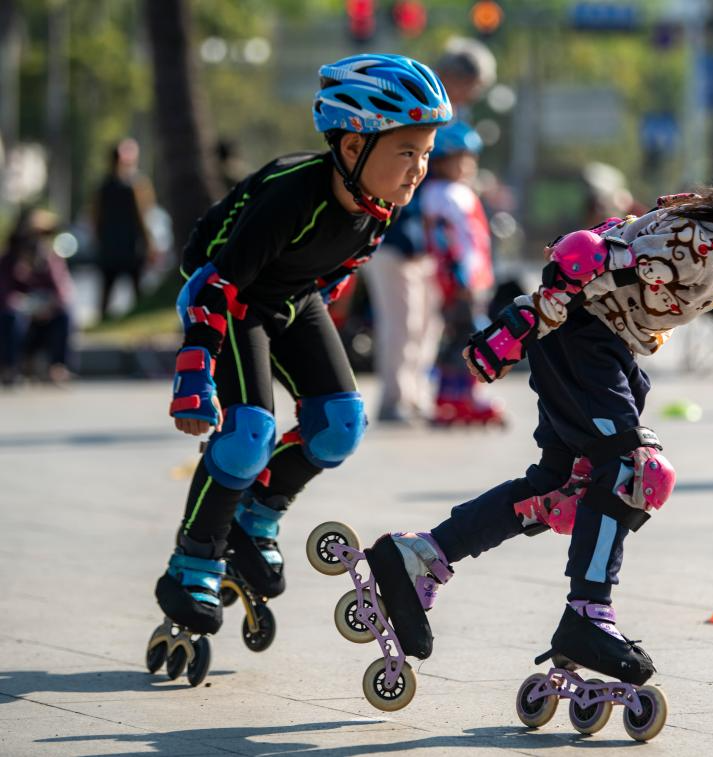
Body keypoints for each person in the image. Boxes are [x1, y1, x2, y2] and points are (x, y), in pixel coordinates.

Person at [332, 92, 713, 700]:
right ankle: (588, 616)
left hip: (611, 348)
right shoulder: (698, 239)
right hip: (580, 337)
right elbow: (584, 254)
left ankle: (418, 558)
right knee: (634, 472)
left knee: (562, 488)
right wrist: (515, 331)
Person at [151, 55, 451, 654]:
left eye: (424, 152)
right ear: (349, 145)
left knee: (340, 426)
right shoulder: (291, 195)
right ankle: (194, 562)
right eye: (405, 152)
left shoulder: (378, 205)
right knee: (246, 434)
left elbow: (336, 270)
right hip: (231, 300)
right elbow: (215, 286)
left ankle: (254, 516)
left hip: (290, 300)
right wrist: (195, 377)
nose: (418, 169)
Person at [366, 38, 497, 424]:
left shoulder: (454, 119)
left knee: (426, 322)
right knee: (401, 321)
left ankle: (416, 395)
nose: (471, 95)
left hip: (426, 243)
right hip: (395, 234)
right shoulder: (415, 108)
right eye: (470, 86)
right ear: (454, 76)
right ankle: (394, 399)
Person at [420, 121, 501, 425]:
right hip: (460, 282)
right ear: (440, 161)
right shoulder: (442, 194)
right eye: (460, 159)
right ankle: (464, 396)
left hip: (473, 279)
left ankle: (450, 395)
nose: (468, 166)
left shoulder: (455, 191)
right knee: (472, 338)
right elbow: (445, 241)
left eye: (471, 159)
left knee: (460, 337)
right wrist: (459, 279)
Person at [0, 208, 74, 385]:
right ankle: (10, 368)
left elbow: (62, 293)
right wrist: (25, 306)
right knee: (12, 318)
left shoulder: (50, 259)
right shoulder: (8, 260)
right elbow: (4, 295)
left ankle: (57, 367)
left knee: (64, 315)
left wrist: (47, 306)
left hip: (43, 318)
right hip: (17, 319)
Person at [91, 138, 157, 320]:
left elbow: (94, 218)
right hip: (128, 246)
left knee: (112, 290)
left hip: (114, 246)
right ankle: (137, 318)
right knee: (129, 290)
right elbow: (143, 216)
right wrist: (150, 243)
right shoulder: (135, 185)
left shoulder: (103, 186)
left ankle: (109, 318)